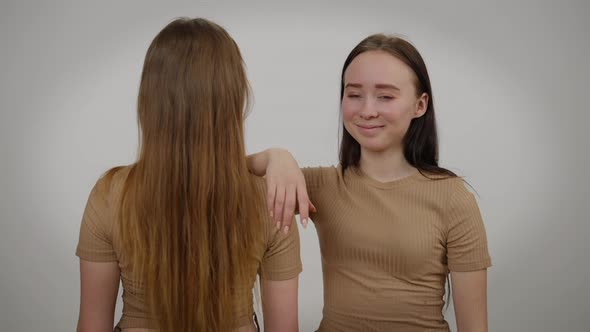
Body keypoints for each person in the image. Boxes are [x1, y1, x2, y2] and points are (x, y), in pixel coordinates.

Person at [248, 34, 491, 331]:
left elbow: (475, 327)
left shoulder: (454, 198)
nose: (366, 110)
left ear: (420, 104)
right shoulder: (322, 186)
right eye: (353, 95)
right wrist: (276, 157)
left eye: (386, 96)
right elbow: (221, 172)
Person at [75, 18, 301, 332]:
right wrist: (276, 155)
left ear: (149, 102)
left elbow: (92, 325)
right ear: (233, 101)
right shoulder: (273, 199)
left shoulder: (110, 194)